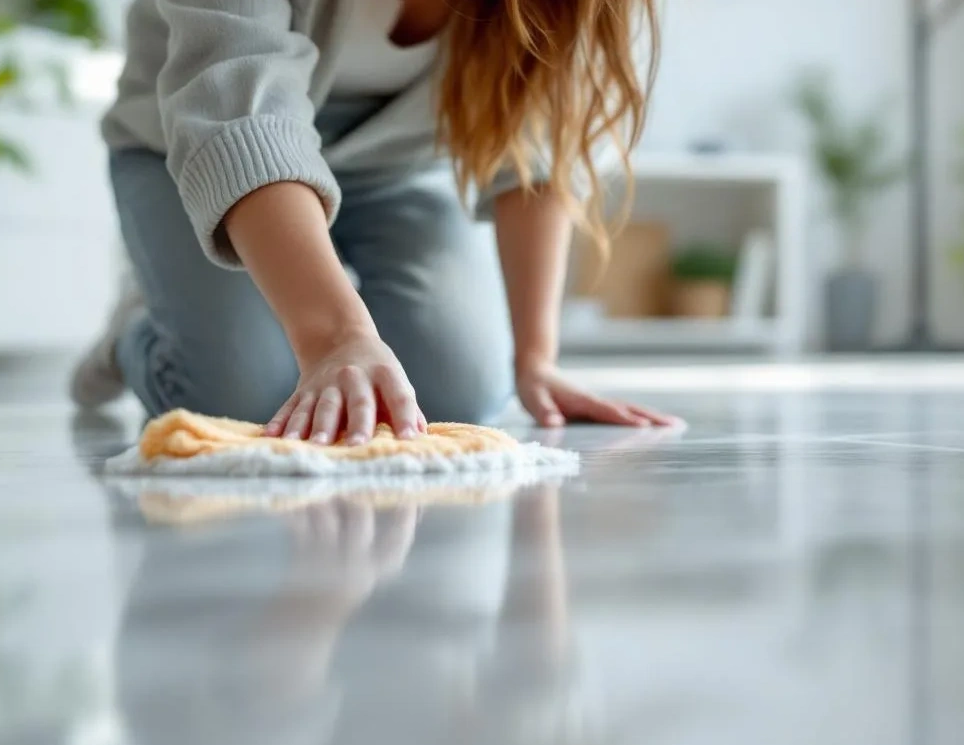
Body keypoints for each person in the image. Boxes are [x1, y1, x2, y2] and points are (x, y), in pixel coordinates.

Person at [70, 0, 679, 444]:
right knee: (244, 393)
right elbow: (235, 112)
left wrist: (535, 357)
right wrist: (336, 339)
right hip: (192, 150)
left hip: (396, 170)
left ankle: (304, 300)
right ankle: (141, 330)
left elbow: (538, 147)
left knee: (460, 388)